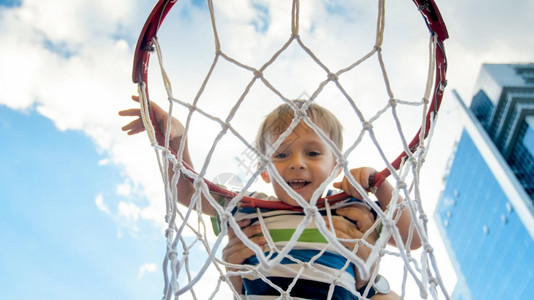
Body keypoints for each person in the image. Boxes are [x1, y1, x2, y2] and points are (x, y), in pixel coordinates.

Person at [120, 96, 421, 299]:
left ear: (336, 166)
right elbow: (185, 192)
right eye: (281, 154)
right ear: (264, 171)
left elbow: (413, 239)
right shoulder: (251, 206)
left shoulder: (349, 208)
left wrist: (379, 184)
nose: (296, 162)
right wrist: (174, 139)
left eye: (313, 153)